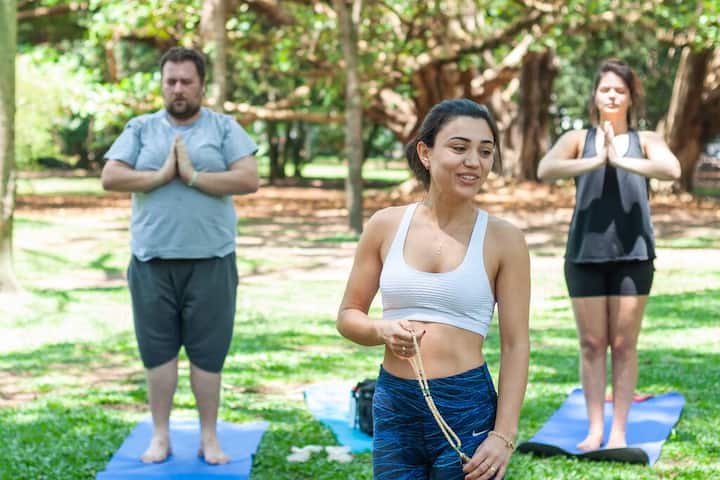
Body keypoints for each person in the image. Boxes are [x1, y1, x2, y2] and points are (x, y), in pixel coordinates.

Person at [337, 99, 530, 480]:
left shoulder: (504, 239)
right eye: (459, 148)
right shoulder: (385, 225)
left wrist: (503, 435)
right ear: (425, 153)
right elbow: (348, 316)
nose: (473, 162)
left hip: (466, 405)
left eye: (485, 151)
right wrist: (381, 330)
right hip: (394, 404)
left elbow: (516, 345)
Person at [101, 47, 259, 464]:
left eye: (186, 81)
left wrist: (192, 176)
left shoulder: (223, 128)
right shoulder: (141, 128)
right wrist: (159, 176)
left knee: (209, 354)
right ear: (162, 84)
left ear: (202, 84)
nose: (178, 89)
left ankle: (209, 437)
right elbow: (111, 175)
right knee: (158, 353)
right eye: (170, 81)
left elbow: (248, 178)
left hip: (211, 261)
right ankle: (160, 436)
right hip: (152, 261)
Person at [537, 59, 681, 451]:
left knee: (623, 344)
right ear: (595, 96)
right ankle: (595, 429)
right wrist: (596, 160)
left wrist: (620, 160)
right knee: (591, 344)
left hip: (634, 254)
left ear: (631, 97)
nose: (612, 96)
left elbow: (671, 169)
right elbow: (546, 168)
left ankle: (618, 431)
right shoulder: (578, 138)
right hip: (584, 254)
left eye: (620, 90)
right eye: (606, 89)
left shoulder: (645, 139)